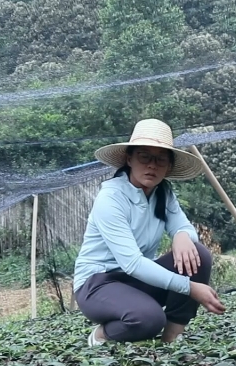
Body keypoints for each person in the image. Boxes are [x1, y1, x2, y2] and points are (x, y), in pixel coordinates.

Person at [74, 118, 226, 346]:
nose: (152, 165)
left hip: (136, 281)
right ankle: (102, 334)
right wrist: (190, 288)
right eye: (144, 157)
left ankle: (172, 336)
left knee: (198, 255)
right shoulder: (111, 198)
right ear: (129, 159)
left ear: (168, 166)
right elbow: (132, 263)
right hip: (98, 284)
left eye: (160, 159)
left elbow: (183, 227)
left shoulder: (163, 193)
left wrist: (182, 236)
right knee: (148, 320)